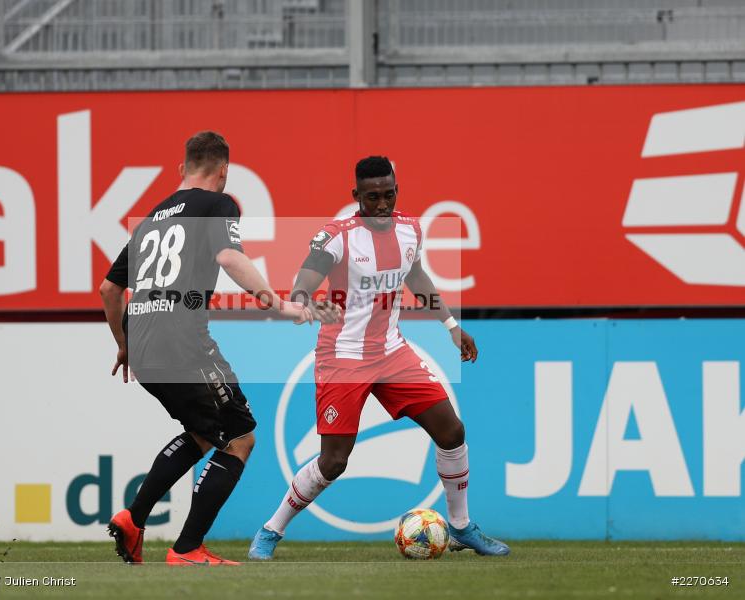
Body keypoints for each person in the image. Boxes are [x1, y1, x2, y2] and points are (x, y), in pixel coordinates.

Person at [249, 156, 510, 559]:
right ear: (357, 196)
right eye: (373, 197)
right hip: (343, 357)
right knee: (334, 461)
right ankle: (270, 530)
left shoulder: (410, 230)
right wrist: (307, 302)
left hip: (392, 353)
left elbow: (416, 276)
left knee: (452, 432)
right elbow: (304, 282)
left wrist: (451, 325)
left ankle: (460, 527)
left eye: (389, 195)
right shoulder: (337, 236)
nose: (383, 205)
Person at [100, 131, 313, 566]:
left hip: (142, 345)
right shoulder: (220, 203)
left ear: (181, 169)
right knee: (240, 437)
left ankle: (133, 518)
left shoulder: (151, 219)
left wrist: (123, 344)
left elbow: (108, 288)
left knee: (202, 432)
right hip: (182, 341)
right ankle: (186, 548)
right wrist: (281, 304)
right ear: (223, 171)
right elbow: (230, 257)